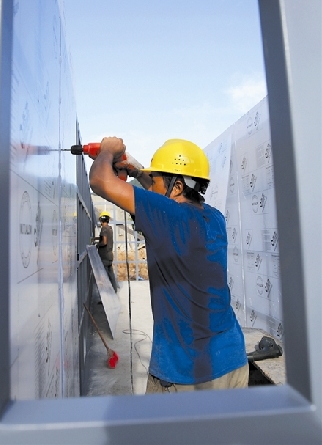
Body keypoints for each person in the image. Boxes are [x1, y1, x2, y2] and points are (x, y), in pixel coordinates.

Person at [89, 136, 249, 393]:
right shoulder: (213, 218)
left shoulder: (169, 218)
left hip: (189, 375)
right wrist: (137, 171)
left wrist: (108, 149)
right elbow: (161, 198)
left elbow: (99, 181)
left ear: (175, 187)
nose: (149, 188)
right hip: (232, 360)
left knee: (161, 434)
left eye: (155, 182)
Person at [95, 210, 117, 292]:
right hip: (110, 255)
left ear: (102, 219)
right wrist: (96, 239)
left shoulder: (104, 229)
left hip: (104, 256)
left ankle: (107, 293)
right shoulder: (109, 229)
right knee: (111, 274)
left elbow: (104, 242)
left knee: (105, 275)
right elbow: (106, 239)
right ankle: (114, 290)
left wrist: (97, 245)